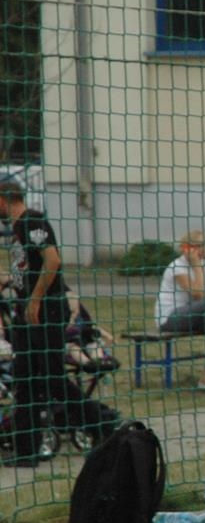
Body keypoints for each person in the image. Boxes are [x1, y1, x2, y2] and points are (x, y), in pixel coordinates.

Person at [0, 182, 117, 467]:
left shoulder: (33, 221)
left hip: (46, 312)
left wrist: (36, 299)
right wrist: (11, 283)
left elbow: (52, 260)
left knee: (52, 377)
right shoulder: (18, 229)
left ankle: (103, 422)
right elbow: (28, 270)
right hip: (26, 314)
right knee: (27, 380)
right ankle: (26, 451)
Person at [154, 229, 205, 393]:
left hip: (196, 317)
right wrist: (196, 266)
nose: (202, 250)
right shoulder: (177, 267)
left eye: (203, 245)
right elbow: (198, 294)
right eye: (197, 246)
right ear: (186, 248)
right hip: (171, 318)